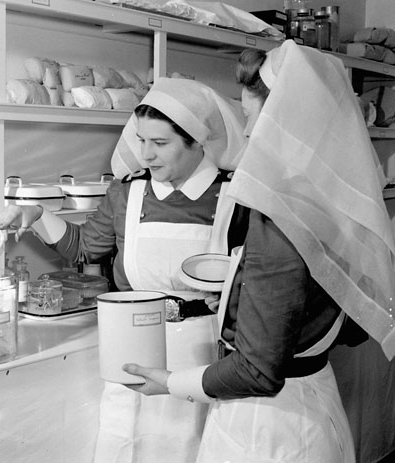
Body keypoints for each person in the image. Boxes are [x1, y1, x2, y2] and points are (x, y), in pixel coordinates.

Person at [123, 40, 395, 463]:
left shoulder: (278, 219)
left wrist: (169, 382)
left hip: (267, 430)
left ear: (284, 121)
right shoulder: (326, 205)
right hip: (317, 404)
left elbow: (256, 371)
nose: (246, 132)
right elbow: (354, 325)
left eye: (251, 117)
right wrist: (243, 298)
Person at [0, 77, 249, 462]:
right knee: (127, 440)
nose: (145, 154)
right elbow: (84, 247)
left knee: (186, 444)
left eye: (160, 143)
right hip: (132, 339)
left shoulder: (235, 197)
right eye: (141, 140)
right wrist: (35, 216)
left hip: (200, 349)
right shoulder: (127, 192)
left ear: (197, 140)